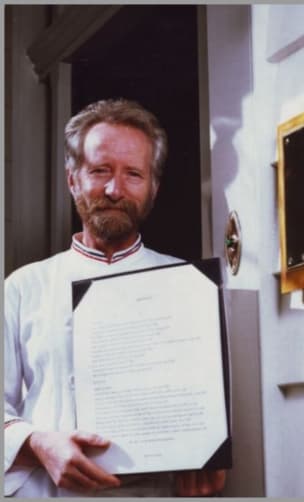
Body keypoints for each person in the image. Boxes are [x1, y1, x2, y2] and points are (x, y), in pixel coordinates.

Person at [4, 99, 226, 497]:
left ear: (153, 188)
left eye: (133, 174)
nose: (113, 189)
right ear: (73, 180)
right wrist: (38, 444)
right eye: (100, 171)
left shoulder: (190, 286)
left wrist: (208, 455)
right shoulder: (23, 287)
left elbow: (202, 406)